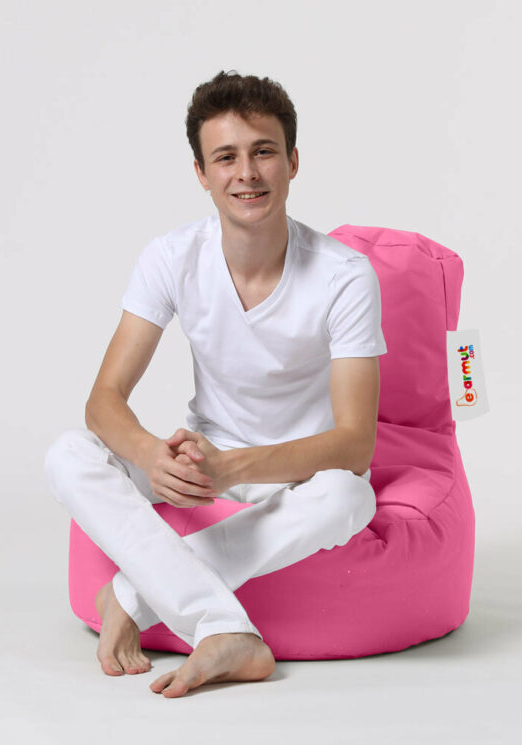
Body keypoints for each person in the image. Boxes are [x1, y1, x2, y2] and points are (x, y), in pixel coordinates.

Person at [44, 70, 388, 699]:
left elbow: (355, 444)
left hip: (296, 472)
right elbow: (103, 401)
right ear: (202, 173)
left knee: (351, 496)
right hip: (206, 457)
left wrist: (234, 469)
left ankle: (130, 594)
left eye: (264, 152)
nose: (246, 173)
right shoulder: (171, 256)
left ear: (293, 162)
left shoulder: (345, 275)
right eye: (225, 157)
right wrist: (152, 454)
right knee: (68, 453)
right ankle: (225, 628)